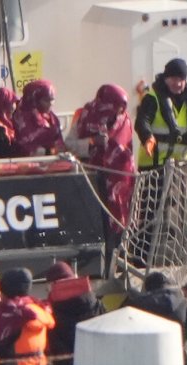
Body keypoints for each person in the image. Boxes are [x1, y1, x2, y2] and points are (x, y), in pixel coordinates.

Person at [69, 84, 137, 251]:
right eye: (117, 106)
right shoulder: (83, 115)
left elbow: (129, 149)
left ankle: (119, 256)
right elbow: (69, 144)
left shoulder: (125, 120)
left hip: (120, 182)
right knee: (97, 221)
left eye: (122, 107)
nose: (120, 111)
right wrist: (91, 142)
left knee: (120, 223)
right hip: (92, 177)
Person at [135, 58, 187, 169]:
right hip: (153, 165)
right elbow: (142, 121)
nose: (178, 83)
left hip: (180, 167)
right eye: (174, 79)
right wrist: (147, 137)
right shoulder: (152, 98)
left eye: (181, 79)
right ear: (166, 78)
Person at [12, 79, 65, 157]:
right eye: (46, 100)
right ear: (34, 99)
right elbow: (24, 147)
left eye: (52, 100)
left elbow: (59, 144)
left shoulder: (51, 117)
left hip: (53, 160)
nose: (50, 104)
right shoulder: (20, 117)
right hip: (27, 163)